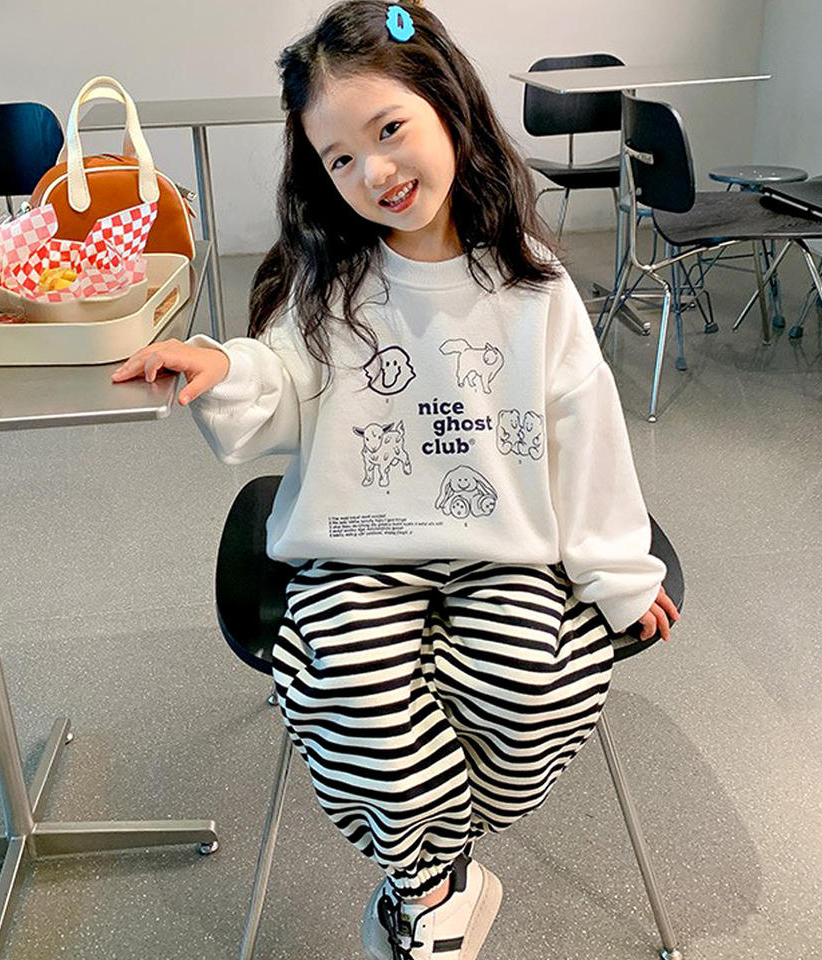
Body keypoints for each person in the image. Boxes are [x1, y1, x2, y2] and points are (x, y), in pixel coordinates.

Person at [112, 2, 680, 957]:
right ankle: (433, 886)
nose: (372, 172)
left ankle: (432, 865)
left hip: (502, 547)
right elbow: (282, 383)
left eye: (388, 130)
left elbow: (586, 435)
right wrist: (225, 365)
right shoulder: (329, 282)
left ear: (448, 106)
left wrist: (618, 572)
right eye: (338, 158)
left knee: (529, 682)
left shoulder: (534, 286)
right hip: (356, 544)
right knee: (348, 681)